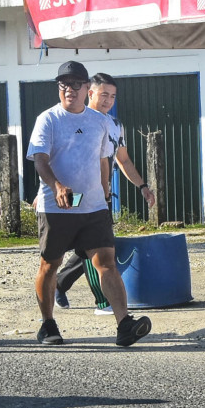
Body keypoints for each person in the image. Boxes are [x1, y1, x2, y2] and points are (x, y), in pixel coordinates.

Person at [27, 60, 151, 347]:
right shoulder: (48, 119)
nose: (69, 89)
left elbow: (104, 161)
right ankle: (48, 325)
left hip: (92, 205)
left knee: (106, 262)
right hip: (56, 205)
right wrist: (55, 185)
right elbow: (40, 160)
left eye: (75, 84)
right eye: (63, 84)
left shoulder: (101, 123)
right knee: (50, 264)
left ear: (85, 88)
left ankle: (124, 324)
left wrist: (106, 193)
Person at [54, 72, 157, 315]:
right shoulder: (75, 120)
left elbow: (123, 160)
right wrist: (49, 188)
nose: (108, 100)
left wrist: (142, 186)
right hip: (74, 193)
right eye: (103, 95)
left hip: (101, 195)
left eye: (112, 96)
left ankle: (61, 284)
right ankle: (101, 301)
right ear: (90, 93)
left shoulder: (115, 125)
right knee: (87, 246)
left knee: (94, 245)